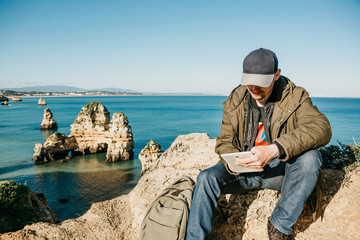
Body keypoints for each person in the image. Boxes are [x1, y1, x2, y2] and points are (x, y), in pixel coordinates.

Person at [186, 48, 332, 240]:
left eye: (261, 83)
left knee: (310, 158)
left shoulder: (295, 96)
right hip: (244, 171)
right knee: (206, 178)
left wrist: (274, 149)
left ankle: (278, 226)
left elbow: (321, 128)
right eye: (249, 82)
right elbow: (224, 142)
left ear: (276, 74)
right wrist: (235, 160)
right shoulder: (235, 99)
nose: (254, 88)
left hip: (280, 170)